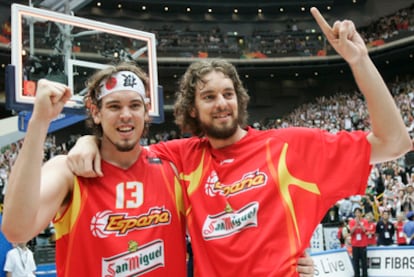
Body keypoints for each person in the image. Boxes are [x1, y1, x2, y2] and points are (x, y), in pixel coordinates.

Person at [66, 7, 411, 276]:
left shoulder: (290, 147)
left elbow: (394, 142)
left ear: (239, 99)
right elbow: (123, 145)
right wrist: (87, 140)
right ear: (192, 110)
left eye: (228, 93)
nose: (221, 104)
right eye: (209, 96)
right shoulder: (181, 157)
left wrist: (359, 60)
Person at [1, 64, 188, 276]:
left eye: (134, 105)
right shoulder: (69, 171)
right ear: (96, 113)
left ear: (146, 112)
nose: (125, 115)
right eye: (114, 106)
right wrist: (40, 121)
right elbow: (16, 230)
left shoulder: (172, 165)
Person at [348, 207, 368, 277]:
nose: (357, 214)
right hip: (355, 245)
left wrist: (360, 224)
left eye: (359, 212)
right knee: (356, 262)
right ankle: (357, 275)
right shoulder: (352, 222)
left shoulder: (365, 221)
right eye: (356, 212)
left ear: (361, 213)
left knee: (364, 262)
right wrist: (356, 225)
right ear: (354, 214)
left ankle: (365, 275)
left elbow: (365, 230)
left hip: (363, 245)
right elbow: (351, 232)